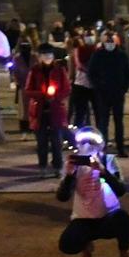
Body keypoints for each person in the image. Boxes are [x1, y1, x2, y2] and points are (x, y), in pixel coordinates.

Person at [56, 126, 129, 257]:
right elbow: (62, 197)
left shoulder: (109, 161)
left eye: (92, 143)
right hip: (83, 219)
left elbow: (121, 191)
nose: (87, 147)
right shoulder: (73, 165)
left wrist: (103, 172)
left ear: (100, 145)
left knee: (124, 219)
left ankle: (124, 255)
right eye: (84, 143)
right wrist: (70, 175)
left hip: (107, 216)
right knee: (67, 244)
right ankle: (86, 243)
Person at [26, 42, 73, 174]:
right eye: (44, 54)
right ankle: (42, 166)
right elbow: (28, 90)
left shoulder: (59, 70)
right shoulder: (35, 70)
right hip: (39, 111)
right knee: (41, 142)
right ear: (39, 56)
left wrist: (56, 97)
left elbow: (67, 88)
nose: (47, 57)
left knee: (56, 141)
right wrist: (41, 95)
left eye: (49, 54)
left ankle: (57, 166)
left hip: (56, 110)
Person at [88, 29, 129, 157]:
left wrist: (124, 88)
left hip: (118, 92)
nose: (110, 44)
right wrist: (98, 86)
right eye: (107, 41)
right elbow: (92, 73)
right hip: (103, 93)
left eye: (112, 41)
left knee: (119, 121)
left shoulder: (122, 55)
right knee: (103, 122)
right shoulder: (98, 55)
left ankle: (121, 147)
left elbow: (128, 74)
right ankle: (103, 147)